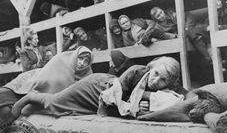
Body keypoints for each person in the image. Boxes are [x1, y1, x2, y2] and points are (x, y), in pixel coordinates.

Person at [12, 56, 187, 120]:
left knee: (69, 111)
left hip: (112, 100)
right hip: (98, 88)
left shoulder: (169, 88)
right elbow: (112, 100)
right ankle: (32, 96)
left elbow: (185, 96)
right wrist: (142, 102)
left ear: (170, 82)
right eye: (156, 73)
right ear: (151, 67)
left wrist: (143, 100)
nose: (156, 81)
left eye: (163, 80)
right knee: (55, 103)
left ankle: (33, 107)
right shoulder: (136, 72)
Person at [0, 46, 93, 126]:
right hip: (31, 82)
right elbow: (47, 80)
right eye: (80, 58)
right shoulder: (62, 59)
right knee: (4, 97)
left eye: (86, 61)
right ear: (75, 56)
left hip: (42, 97)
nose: (82, 63)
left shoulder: (87, 75)